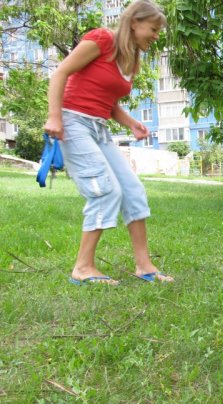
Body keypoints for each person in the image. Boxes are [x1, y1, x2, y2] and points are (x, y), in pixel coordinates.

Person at [44, 0, 173, 285]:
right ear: (133, 22)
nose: (155, 35)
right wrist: (54, 116)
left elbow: (108, 101)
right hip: (73, 122)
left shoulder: (131, 60)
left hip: (99, 128)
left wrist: (130, 122)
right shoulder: (103, 40)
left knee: (133, 191)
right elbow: (60, 73)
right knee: (105, 191)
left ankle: (144, 265)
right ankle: (83, 267)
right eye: (153, 29)